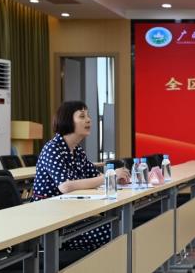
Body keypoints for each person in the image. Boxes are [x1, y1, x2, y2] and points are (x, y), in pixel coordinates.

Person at [33, 101, 130, 250]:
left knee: (120, 225)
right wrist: (109, 177)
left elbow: (96, 175)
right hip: (53, 222)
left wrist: (116, 179)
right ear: (67, 120)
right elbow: (65, 186)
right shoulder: (52, 148)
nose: (89, 120)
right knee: (116, 229)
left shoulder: (77, 150)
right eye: (82, 116)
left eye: (88, 116)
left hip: (74, 214)